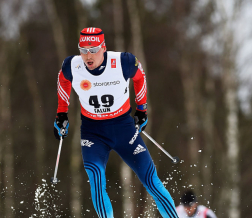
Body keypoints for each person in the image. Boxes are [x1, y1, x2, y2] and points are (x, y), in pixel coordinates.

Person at [53, 27, 178, 218]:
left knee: (151, 181)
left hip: (124, 129)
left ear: (103, 47)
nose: (88, 55)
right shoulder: (72, 65)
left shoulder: (123, 61)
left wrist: (142, 109)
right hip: (93, 132)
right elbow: (63, 81)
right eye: (83, 49)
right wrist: (61, 114)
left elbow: (140, 77)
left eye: (93, 49)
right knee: (95, 176)